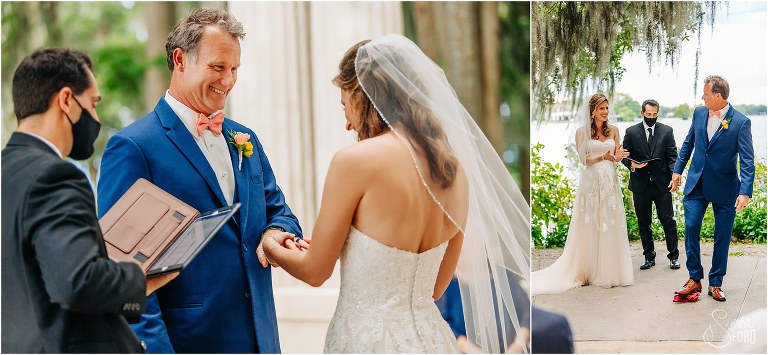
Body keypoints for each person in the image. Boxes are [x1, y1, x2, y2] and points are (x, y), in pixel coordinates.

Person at [263, 34, 530, 353]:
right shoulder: (455, 174)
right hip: (434, 342)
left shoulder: (355, 161)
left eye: (345, 105)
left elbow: (314, 270)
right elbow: (433, 290)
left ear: (364, 96)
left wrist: (271, 245)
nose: (347, 124)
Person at [97, 9, 302, 353]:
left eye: (234, 69)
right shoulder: (134, 147)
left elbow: (280, 212)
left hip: (260, 339)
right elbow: (122, 269)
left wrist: (274, 234)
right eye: (218, 67)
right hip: (188, 343)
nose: (229, 80)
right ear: (180, 60)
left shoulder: (244, 138)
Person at [1, 48, 176, 353]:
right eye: (93, 104)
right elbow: (78, 280)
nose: (94, 118)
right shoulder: (55, 176)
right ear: (67, 100)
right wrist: (139, 276)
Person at [531, 93, 634, 295]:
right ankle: (587, 269)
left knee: (610, 222)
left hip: (609, 182)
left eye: (607, 108)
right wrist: (601, 156)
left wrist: (619, 157)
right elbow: (583, 160)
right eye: (601, 108)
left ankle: (608, 271)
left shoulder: (614, 130)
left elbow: (615, 156)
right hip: (591, 182)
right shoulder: (581, 132)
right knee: (591, 223)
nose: (605, 112)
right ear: (592, 111)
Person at [670, 75, 754, 302]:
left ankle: (715, 282)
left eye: (705, 94)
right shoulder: (699, 113)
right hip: (696, 183)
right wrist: (678, 171)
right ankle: (694, 278)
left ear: (718, 96)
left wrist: (744, 192)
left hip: (726, 187)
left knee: (722, 236)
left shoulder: (741, 122)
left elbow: (747, 161)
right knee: (691, 227)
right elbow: (689, 142)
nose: (702, 97)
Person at [621, 99, 680, 270]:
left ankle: (674, 256)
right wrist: (632, 164)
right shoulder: (631, 132)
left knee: (668, 221)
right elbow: (624, 155)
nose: (652, 117)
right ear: (642, 113)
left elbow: (672, 157)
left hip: (662, 185)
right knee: (643, 223)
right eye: (648, 114)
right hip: (640, 185)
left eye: (655, 115)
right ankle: (649, 256)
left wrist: (673, 177)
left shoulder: (667, 131)